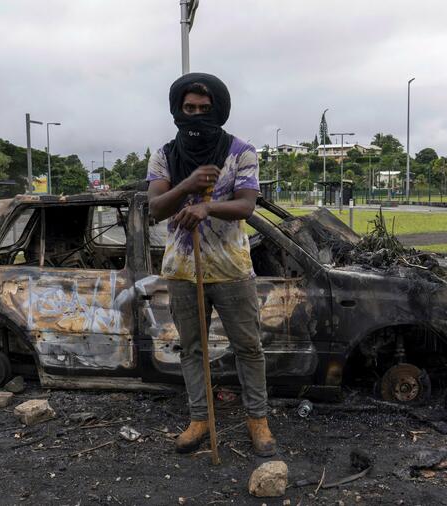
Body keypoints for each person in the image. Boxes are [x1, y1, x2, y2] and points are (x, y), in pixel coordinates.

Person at [146, 73, 276, 457]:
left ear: (218, 109)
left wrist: (207, 206)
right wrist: (187, 186)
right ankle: (200, 419)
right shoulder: (164, 155)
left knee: (249, 347)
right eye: (189, 108)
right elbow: (155, 208)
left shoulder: (241, 152)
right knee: (192, 348)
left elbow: (247, 205)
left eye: (205, 109)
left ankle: (258, 421)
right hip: (184, 270)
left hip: (232, 269)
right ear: (177, 110)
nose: (197, 115)